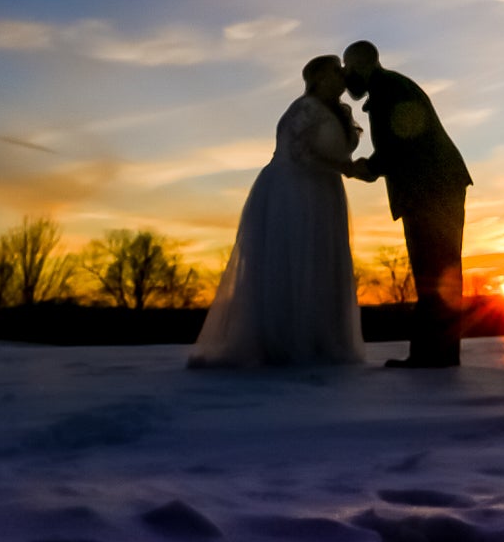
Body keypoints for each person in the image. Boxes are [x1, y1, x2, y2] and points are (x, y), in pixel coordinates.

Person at [187, 57, 366, 367]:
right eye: (335, 70)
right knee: (294, 259)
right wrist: (347, 168)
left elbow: (339, 149)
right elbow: (299, 152)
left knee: (321, 260)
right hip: (294, 190)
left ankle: (320, 338)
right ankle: (286, 341)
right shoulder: (304, 108)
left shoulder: (340, 112)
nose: (342, 75)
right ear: (318, 77)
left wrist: (349, 167)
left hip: (325, 191)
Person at [342, 40, 472, 368]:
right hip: (435, 187)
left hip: (431, 190)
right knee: (439, 272)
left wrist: (367, 168)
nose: (346, 76)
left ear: (360, 63)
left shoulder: (388, 89)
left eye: (348, 66)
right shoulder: (391, 87)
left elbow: (402, 140)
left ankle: (433, 356)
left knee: (435, 272)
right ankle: (437, 354)